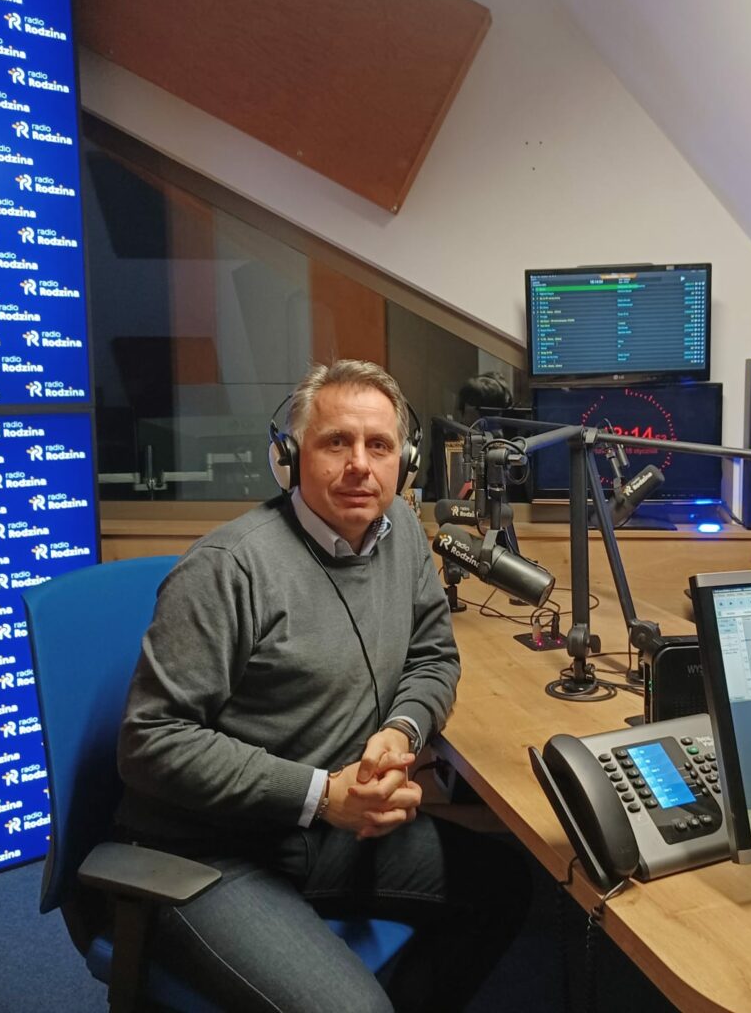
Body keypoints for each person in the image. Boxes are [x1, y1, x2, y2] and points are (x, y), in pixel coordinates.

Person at [115, 360, 531, 1012]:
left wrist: (402, 731)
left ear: (405, 463)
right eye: (337, 442)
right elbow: (150, 742)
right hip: (212, 849)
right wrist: (321, 796)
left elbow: (432, 656)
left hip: (328, 832)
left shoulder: (402, 537)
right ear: (289, 458)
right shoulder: (227, 569)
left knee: (507, 885)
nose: (360, 465)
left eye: (379, 445)